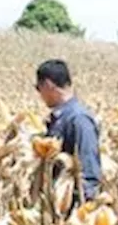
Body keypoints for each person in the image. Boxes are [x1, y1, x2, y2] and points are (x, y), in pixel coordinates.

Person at [35, 58, 103, 209]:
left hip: (71, 207)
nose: (40, 95)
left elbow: (89, 169)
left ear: (48, 85)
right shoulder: (61, 118)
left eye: (38, 88)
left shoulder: (79, 119)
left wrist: (83, 211)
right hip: (55, 204)